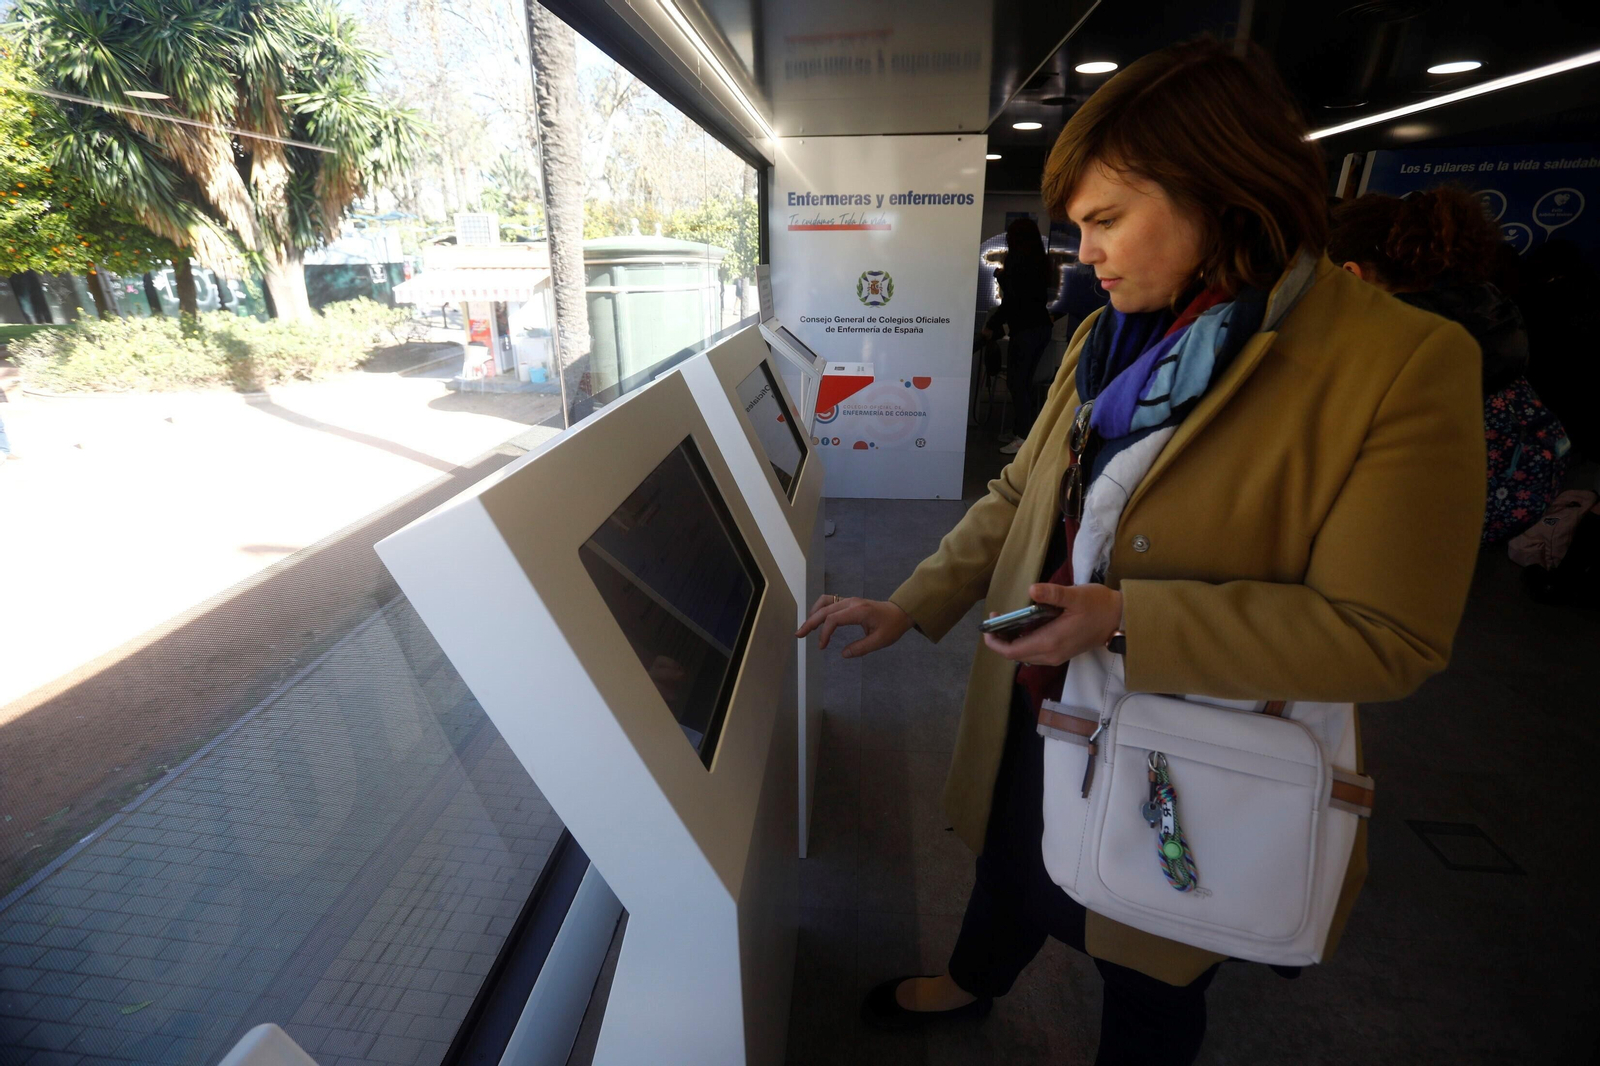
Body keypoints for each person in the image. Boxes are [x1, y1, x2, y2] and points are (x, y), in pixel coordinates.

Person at [797, 38, 1484, 1065]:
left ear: (1222, 192)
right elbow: (1021, 493)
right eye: (1078, 227)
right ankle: (972, 980)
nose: (1089, 254)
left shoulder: (1398, 363)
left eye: (1107, 220)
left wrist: (1128, 621)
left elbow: (1388, 636)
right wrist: (911, 601)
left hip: (1190, 736)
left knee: (1150, 949)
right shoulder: (1112, 335)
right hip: (1040, 692)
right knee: (1009, 854)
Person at [1330, 188, 1571, 542]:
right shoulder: (1485, 307)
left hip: (1414, 521)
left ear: (1352, 274)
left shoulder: (1384, 340)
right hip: (1500, 498)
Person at [982, 218, 1053, 454]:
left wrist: (992, 323)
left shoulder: (1016, 260)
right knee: (1024, 382)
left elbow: (1012, 300)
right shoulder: (1040, 260)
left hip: (1025, 329)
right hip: (1040, 327)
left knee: (1016, 382)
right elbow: (1030, 295)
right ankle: (1023, 432)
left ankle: (1023, 436)